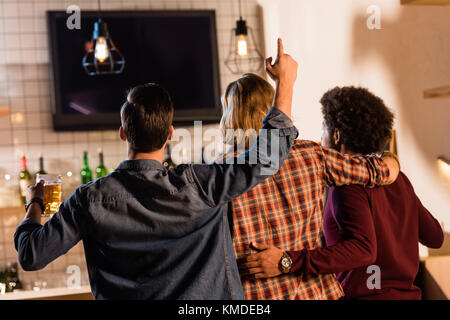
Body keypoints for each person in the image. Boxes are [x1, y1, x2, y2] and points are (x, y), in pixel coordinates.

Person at [14, 39, 299, 300]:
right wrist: (284, 83)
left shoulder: (88, 200)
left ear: (123, 133)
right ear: (170, 134)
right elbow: (268, 157)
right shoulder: (200, 184)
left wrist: (35, 203)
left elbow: (32, 255)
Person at [239, 86, 444, 300]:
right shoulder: (398, 179)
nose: (320, 138)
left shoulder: (347, 185)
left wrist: (288, 261)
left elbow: (363, 249)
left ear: (337, 135)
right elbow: (435, 237)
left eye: (323, 129)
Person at [220, 75, 400, 300]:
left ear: (229, 118)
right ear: (274, 109)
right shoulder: (311, 155)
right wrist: (390, 158)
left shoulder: (218, 174)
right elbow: (379, 171)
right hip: (317, 293)